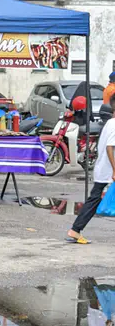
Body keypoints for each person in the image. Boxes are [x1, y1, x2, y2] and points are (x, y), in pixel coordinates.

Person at [67, 103, 115, 244]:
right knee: (94, 199)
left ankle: (75, 229)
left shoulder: (109, 124)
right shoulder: (114, 124)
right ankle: (75, 229)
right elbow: (109, 147)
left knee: (94, 199)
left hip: (103, 168)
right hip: (108, 169)